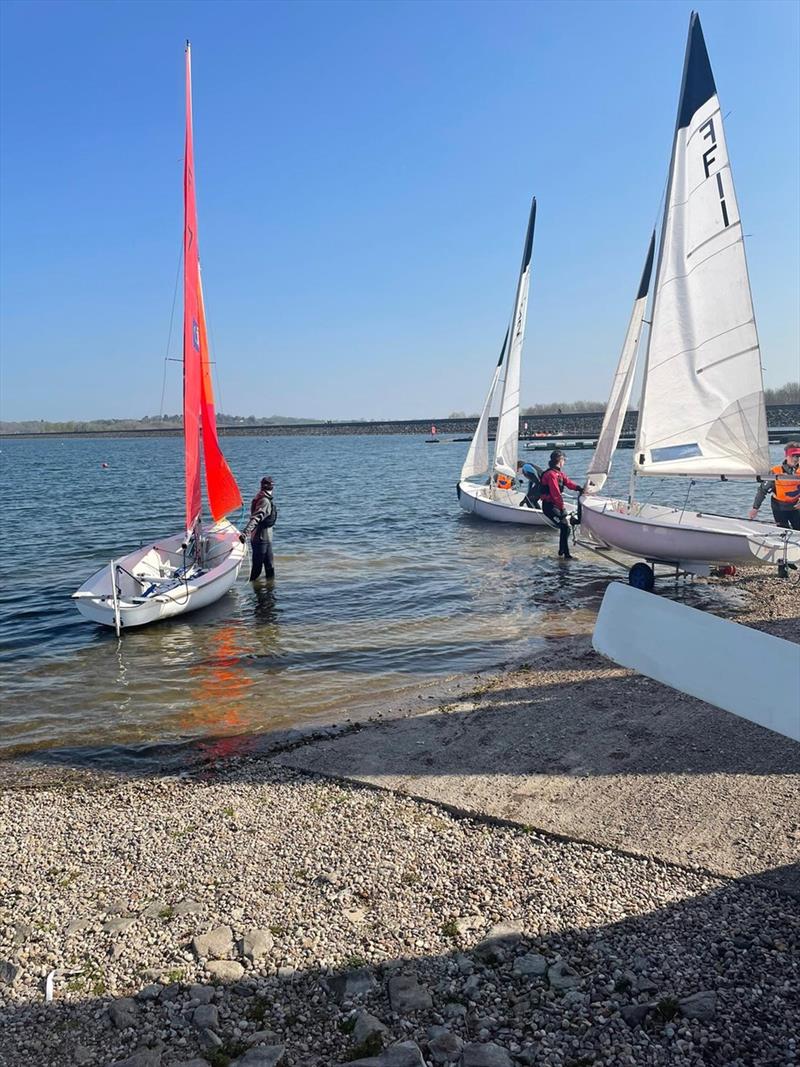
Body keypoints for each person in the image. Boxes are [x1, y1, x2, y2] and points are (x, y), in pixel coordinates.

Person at [540, 450, 583, 558]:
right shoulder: (551, 475)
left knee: (565, 528)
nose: (564, 462)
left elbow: (568, 483)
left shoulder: (559, 473)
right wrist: (562, 507)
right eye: (564, 460)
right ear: (560, 460)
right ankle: (566, 554)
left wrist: (579, 488)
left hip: (555, 505)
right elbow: (555, 493)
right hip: (549, 507)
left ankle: (561, 551)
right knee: (565, 527)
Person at [748, 443, 800, 530]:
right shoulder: (775, 471)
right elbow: (762, 490)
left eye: (798, 456)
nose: (796, 459)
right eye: (793, 456)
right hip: (779, 507)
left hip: (795, 506)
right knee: (783, 530)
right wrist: (755, 508)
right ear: (786, 456)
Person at [240, 476, 277, 580]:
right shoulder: (264, 501)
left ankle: (270, 591)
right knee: (257, 568)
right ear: (272, 487)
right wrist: (245, 532)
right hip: (260, 539)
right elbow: (255, 518)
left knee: (270, 567)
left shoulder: (261, 497)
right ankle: (255, 592)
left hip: (265, 539)